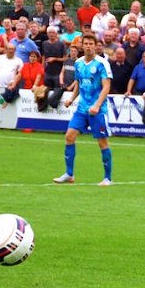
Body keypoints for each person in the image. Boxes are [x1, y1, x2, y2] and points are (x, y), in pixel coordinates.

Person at [53, 34, 113, 186]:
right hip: (82, 109)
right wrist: (71, 99)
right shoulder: (78, 63)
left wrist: (97, 105)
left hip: (97, 110)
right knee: (69, 137)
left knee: (102, 143)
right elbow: (79, 83)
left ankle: (108, 178)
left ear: (95, 45)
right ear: (82, 46)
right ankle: (69, 174)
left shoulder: (102, 63)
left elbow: (106, 86)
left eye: (90, 43)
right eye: (85, 43)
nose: (88, 46)